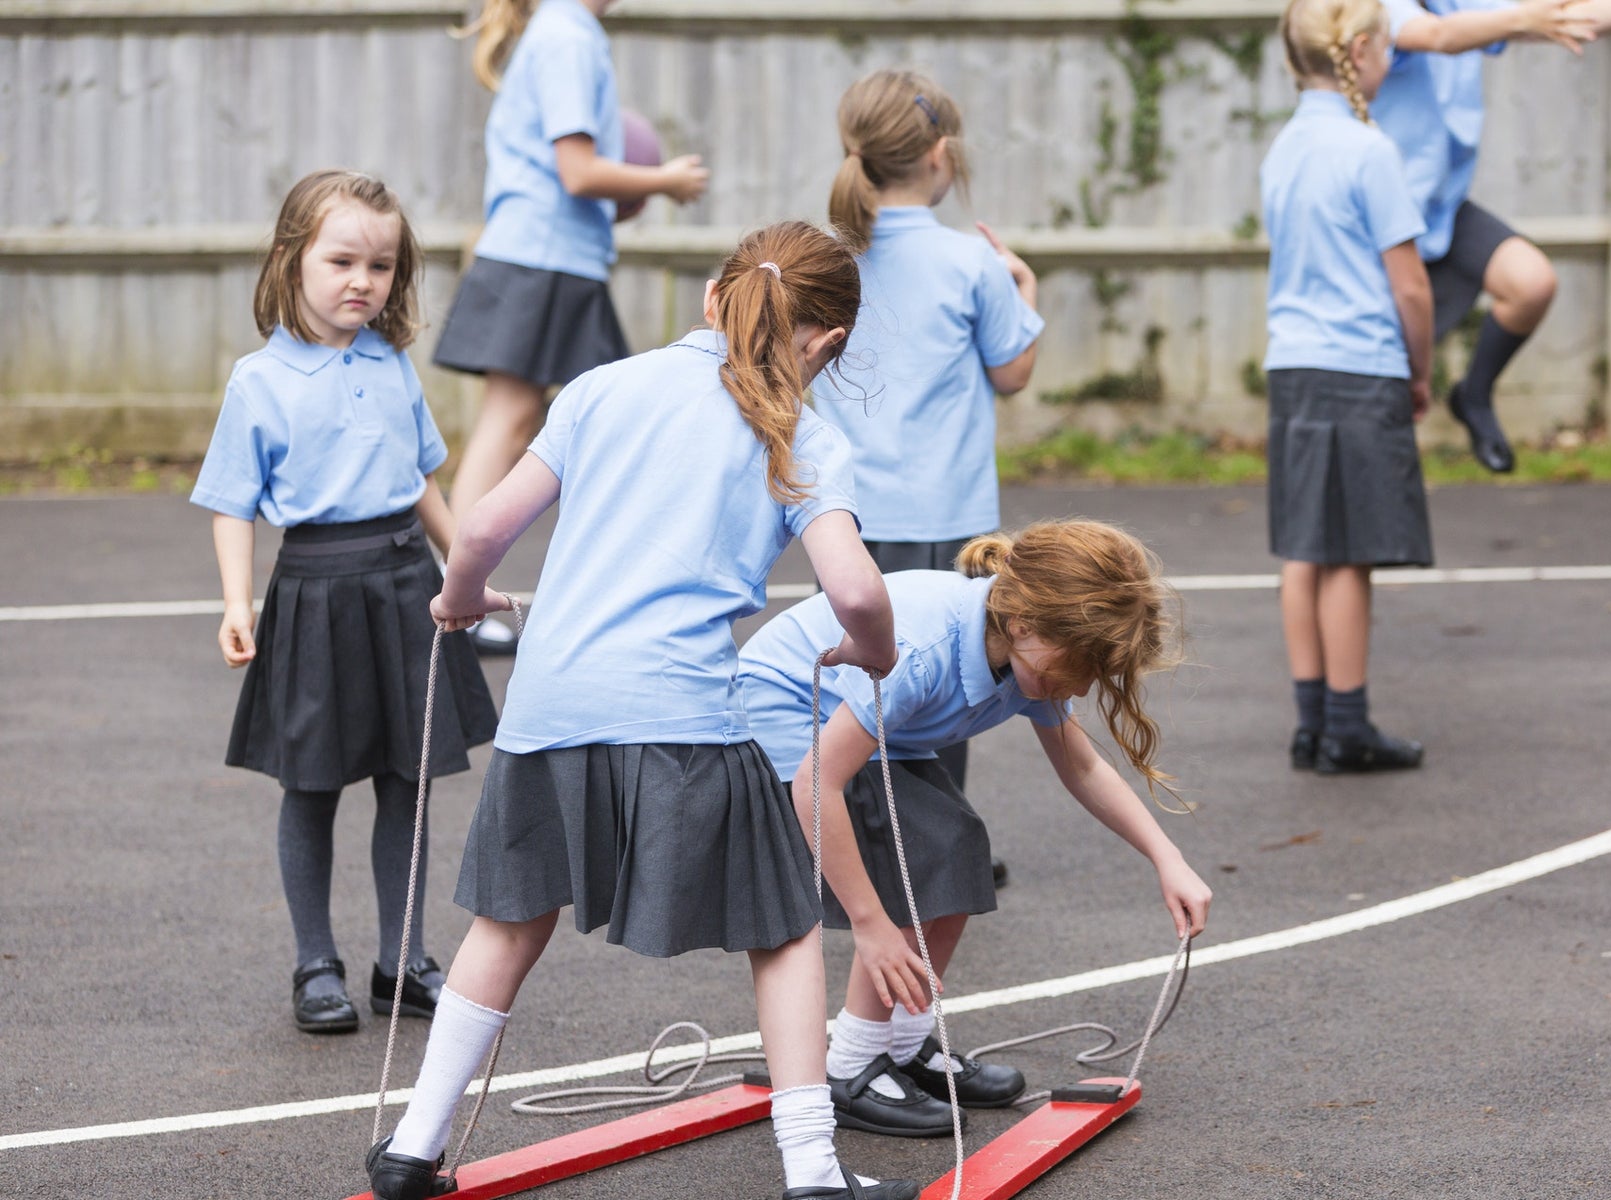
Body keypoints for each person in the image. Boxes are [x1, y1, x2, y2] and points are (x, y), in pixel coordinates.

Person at [365, 223, 917, 1200]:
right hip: (680, 712)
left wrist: (457, 600)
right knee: (786, 927)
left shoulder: (602, 387)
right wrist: (871, 650)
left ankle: (412, 1146)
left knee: (507, 922)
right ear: (825, 343)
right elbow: (861, 593)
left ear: (713, 295)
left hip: (549, 707)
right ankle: (814, 1170)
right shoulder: (799, 432)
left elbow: (485, 522)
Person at [737, 521, 1213, 1136]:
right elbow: (814, 784)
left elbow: (1083, 766)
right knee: (911, 853)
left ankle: (904, 1047)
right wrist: (871, 925)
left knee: (957, 844)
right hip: (784, 724)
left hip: (875, 735)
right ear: (1022, 625)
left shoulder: (1030, 653)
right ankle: (851, 1066)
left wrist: (1166, 858)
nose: (1085, 685)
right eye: (1081, 665)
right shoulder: (922, 649)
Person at [190, 169, 499, 1035]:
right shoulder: (258, 381)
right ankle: (314, 963)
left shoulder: (393, 364)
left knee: (410, 784)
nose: (364, 280)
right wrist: (236, 601)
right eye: (342, 261)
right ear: (292, 260)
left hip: (405, 588)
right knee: (313, 786)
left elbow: (423, 483)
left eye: (383, 264)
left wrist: (462, 574)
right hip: (317, 594)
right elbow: (231, 503)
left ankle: (400, 962)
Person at [435, 0, 709, 653]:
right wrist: (664, 180)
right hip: (541, 256)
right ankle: (456, 591)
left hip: (546, 253)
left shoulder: (560, 32)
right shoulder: (567, 36)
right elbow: (578, 172)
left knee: (530, 420)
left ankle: (458, 590)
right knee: (536, 423)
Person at [819, 68, 1043, 809]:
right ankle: (938, 838)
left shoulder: (831, 262)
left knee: (858, 682)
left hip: (848, 517)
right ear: (940, 155)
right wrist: (1025, 292)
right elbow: (1011, 372)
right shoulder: (972, 262)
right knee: (952, 678)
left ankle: (855, 828)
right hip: (949, 517)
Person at [1264, 0, 1436, 774]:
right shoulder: (1370, 149)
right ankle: (1348, 726)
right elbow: (1412, 290)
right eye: (1389, 46)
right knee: (1349, 557)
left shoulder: (1283, 149)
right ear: (1360, 51)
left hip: (1293, 364)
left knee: (1305, 548)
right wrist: (1420, 370)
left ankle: (1310, 721)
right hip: (1360, 364)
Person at [1372, 0, 1611, 471]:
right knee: (1387, 404)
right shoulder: (1376, 8)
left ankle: (1473, 395)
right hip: (1385, 225)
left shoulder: (1456, 4)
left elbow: (1567, 17)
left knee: (1531, 283)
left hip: (1442, 211)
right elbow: (1437, 36)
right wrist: (1521, 17)